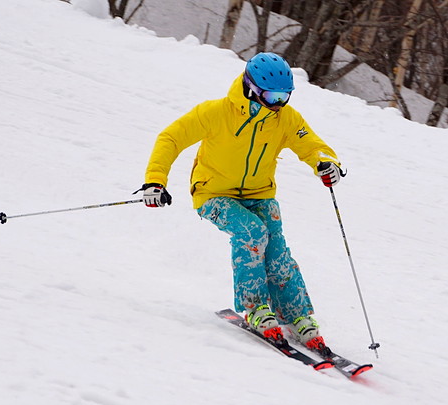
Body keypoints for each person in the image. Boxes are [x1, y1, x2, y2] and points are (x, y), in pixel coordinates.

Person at [139, 52, 343, 351]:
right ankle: (257, 307)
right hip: (213, 194)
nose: (278, 104)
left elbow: (310, 144)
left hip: (260, 193)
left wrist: (326, 162)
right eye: (272, 96)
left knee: (276, 248)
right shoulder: (216, 113)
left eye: (284, 96)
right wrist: (155, 180)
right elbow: (171, 137)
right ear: (251, 87)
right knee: (251, 233)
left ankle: (298, 316)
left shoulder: (285, 118)